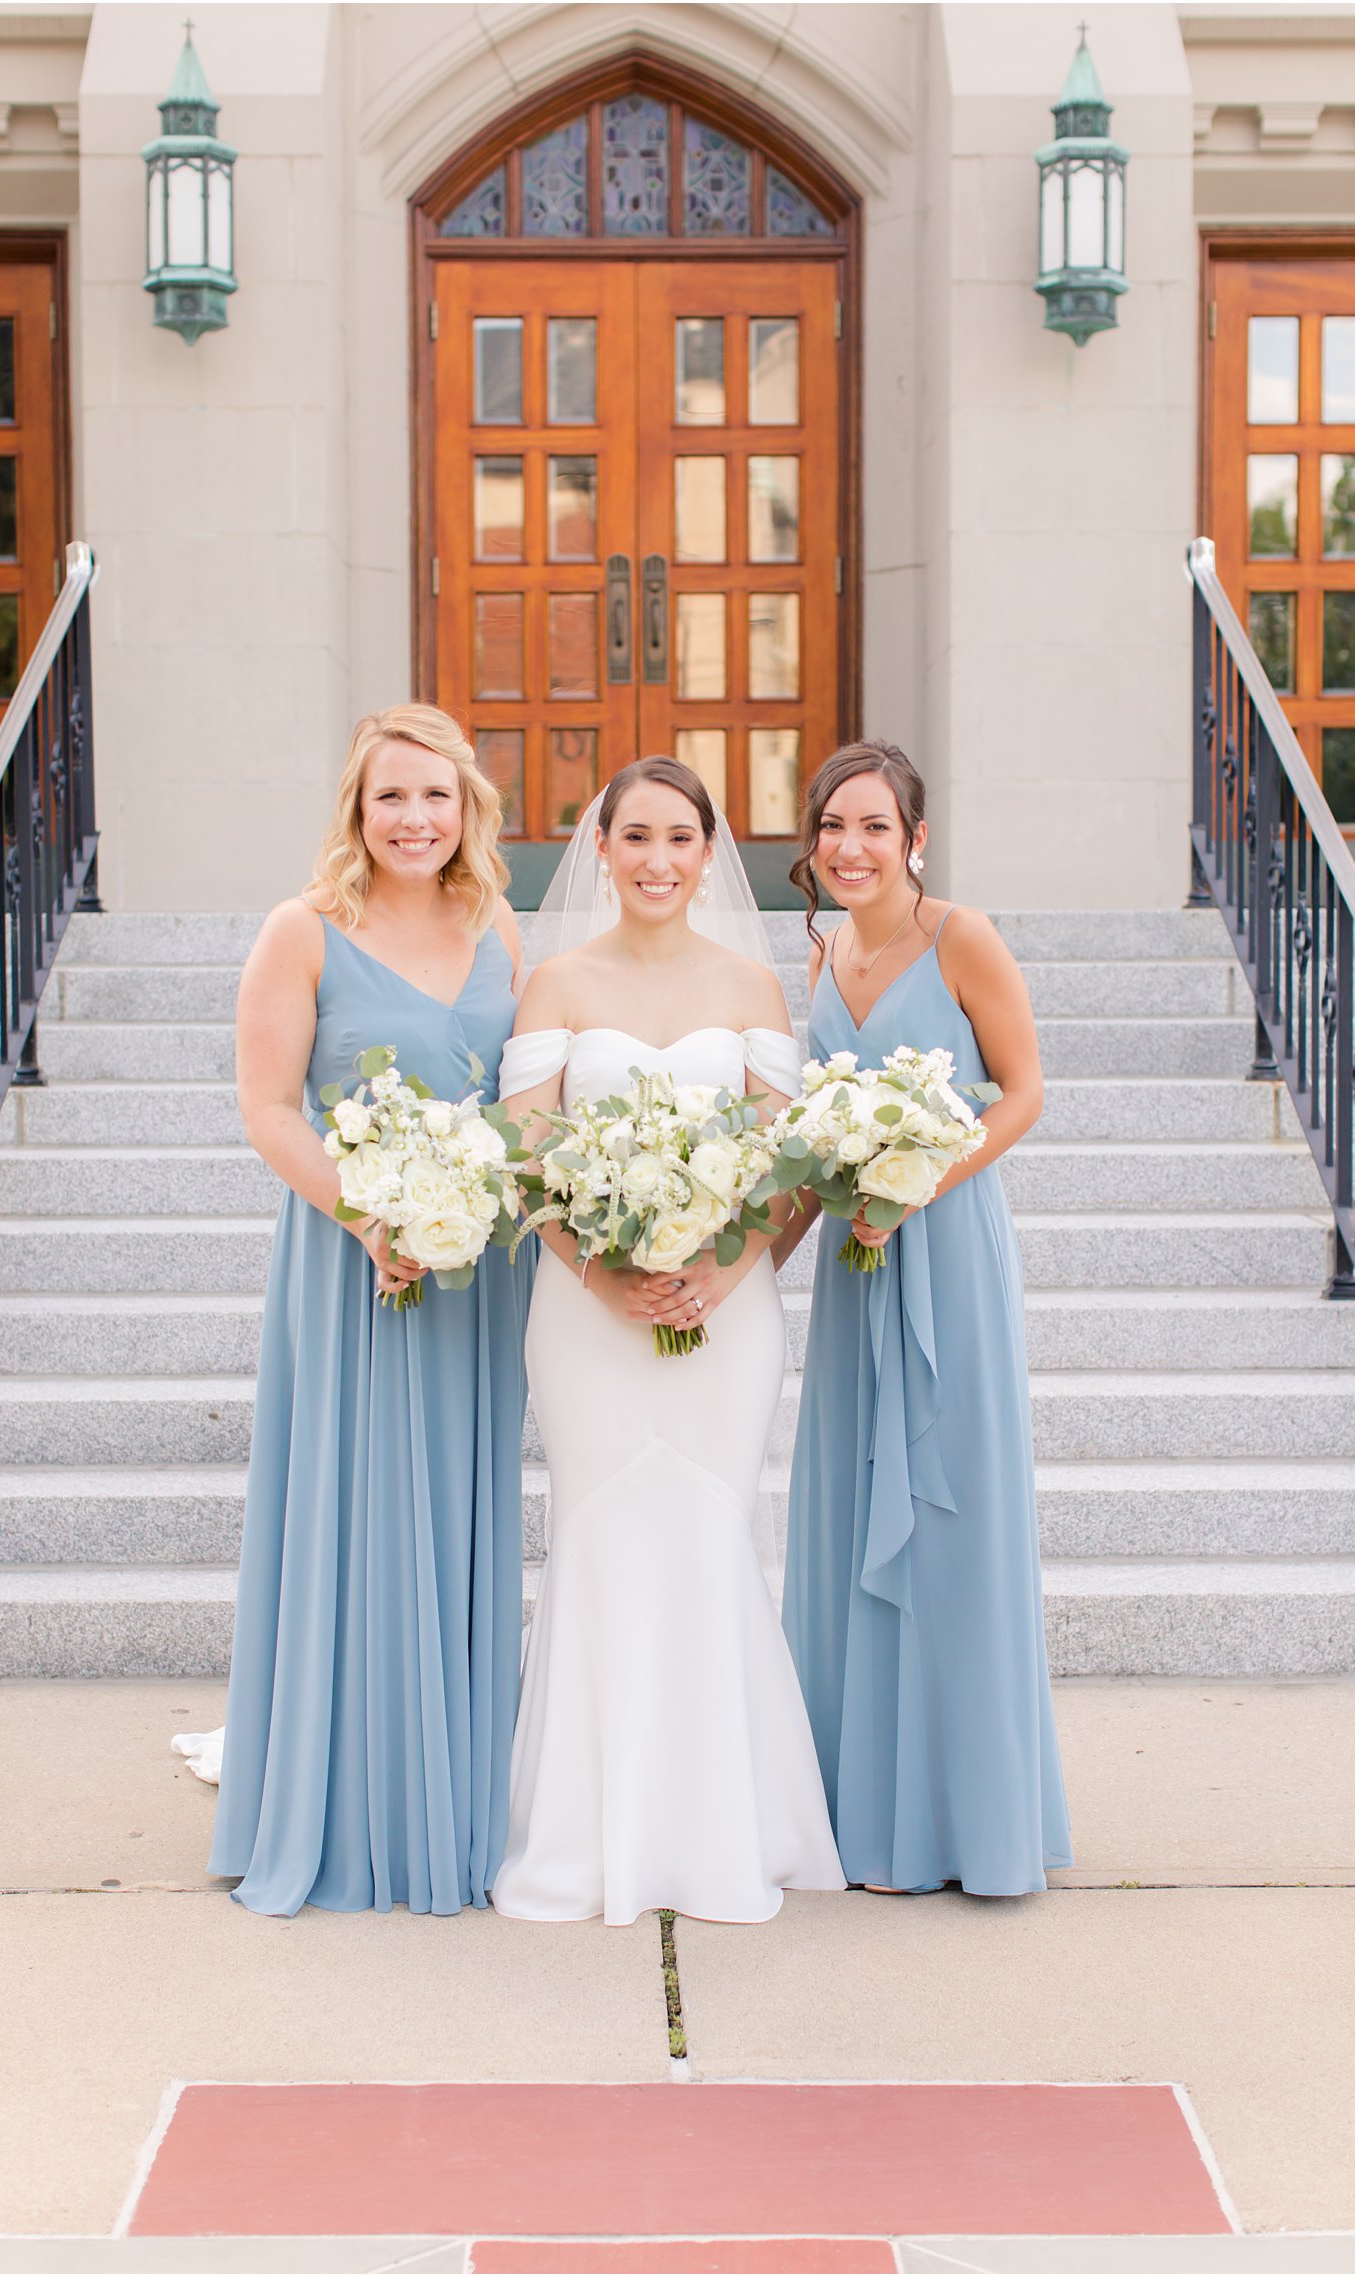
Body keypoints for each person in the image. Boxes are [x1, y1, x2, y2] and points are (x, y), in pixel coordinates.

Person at [173, 705, 531, 1916]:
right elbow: (269, 1106)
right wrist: (368, 1215)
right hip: (356, 1263)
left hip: (475, 1270)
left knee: (453, 1514)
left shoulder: (498, 929)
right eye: (391, 798)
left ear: (466, 807)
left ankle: (451, 1794)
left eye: (435, 797)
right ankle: (347, 1804)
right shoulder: (305, 932)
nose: (414, 820)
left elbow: (527, 1101)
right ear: (356, 809)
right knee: (356, 1504)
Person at [490, 756, 845, 1926]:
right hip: (586, 1314)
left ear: (707, 852)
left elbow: (787, 1166)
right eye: (632, 837)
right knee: (601, 1532)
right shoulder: (553, 984)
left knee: (705, 1526)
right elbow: (527, 1158)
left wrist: (714, 1269)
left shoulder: (751, 983)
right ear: (601, 849)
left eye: (677, 839)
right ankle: (589, 1834)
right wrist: (606, 1277)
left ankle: (720, 1832)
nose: (654, 861)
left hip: (724, 1309)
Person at [774, 739, 1072, 1897]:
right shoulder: (821, 955)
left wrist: (916, 1182)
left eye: (873, 828)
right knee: (854, 1520)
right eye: (831, 828)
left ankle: (966, 1824)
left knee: (949, 1522)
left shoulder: (961, 938)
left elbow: (1023, 1091)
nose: (850, 848)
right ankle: (862, 1816)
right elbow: (810, 1139)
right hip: (857, 1269)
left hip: (941, 1251)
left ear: (914, 839)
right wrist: (756, 1255)